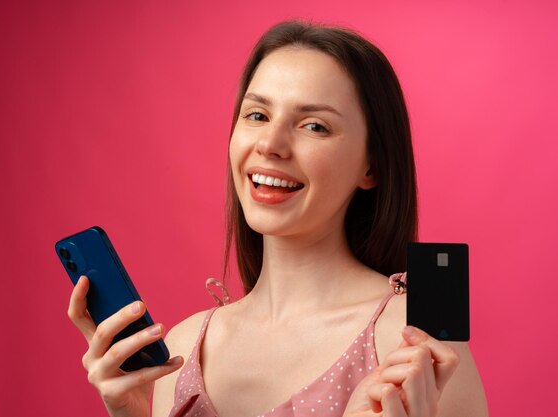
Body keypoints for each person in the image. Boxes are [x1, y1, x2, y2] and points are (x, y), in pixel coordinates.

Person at [67, 20, 488, 417]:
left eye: (315, 126)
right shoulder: (181, 346)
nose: (271, 143)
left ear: (371, 167)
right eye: (257, 115)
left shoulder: (412, 346)